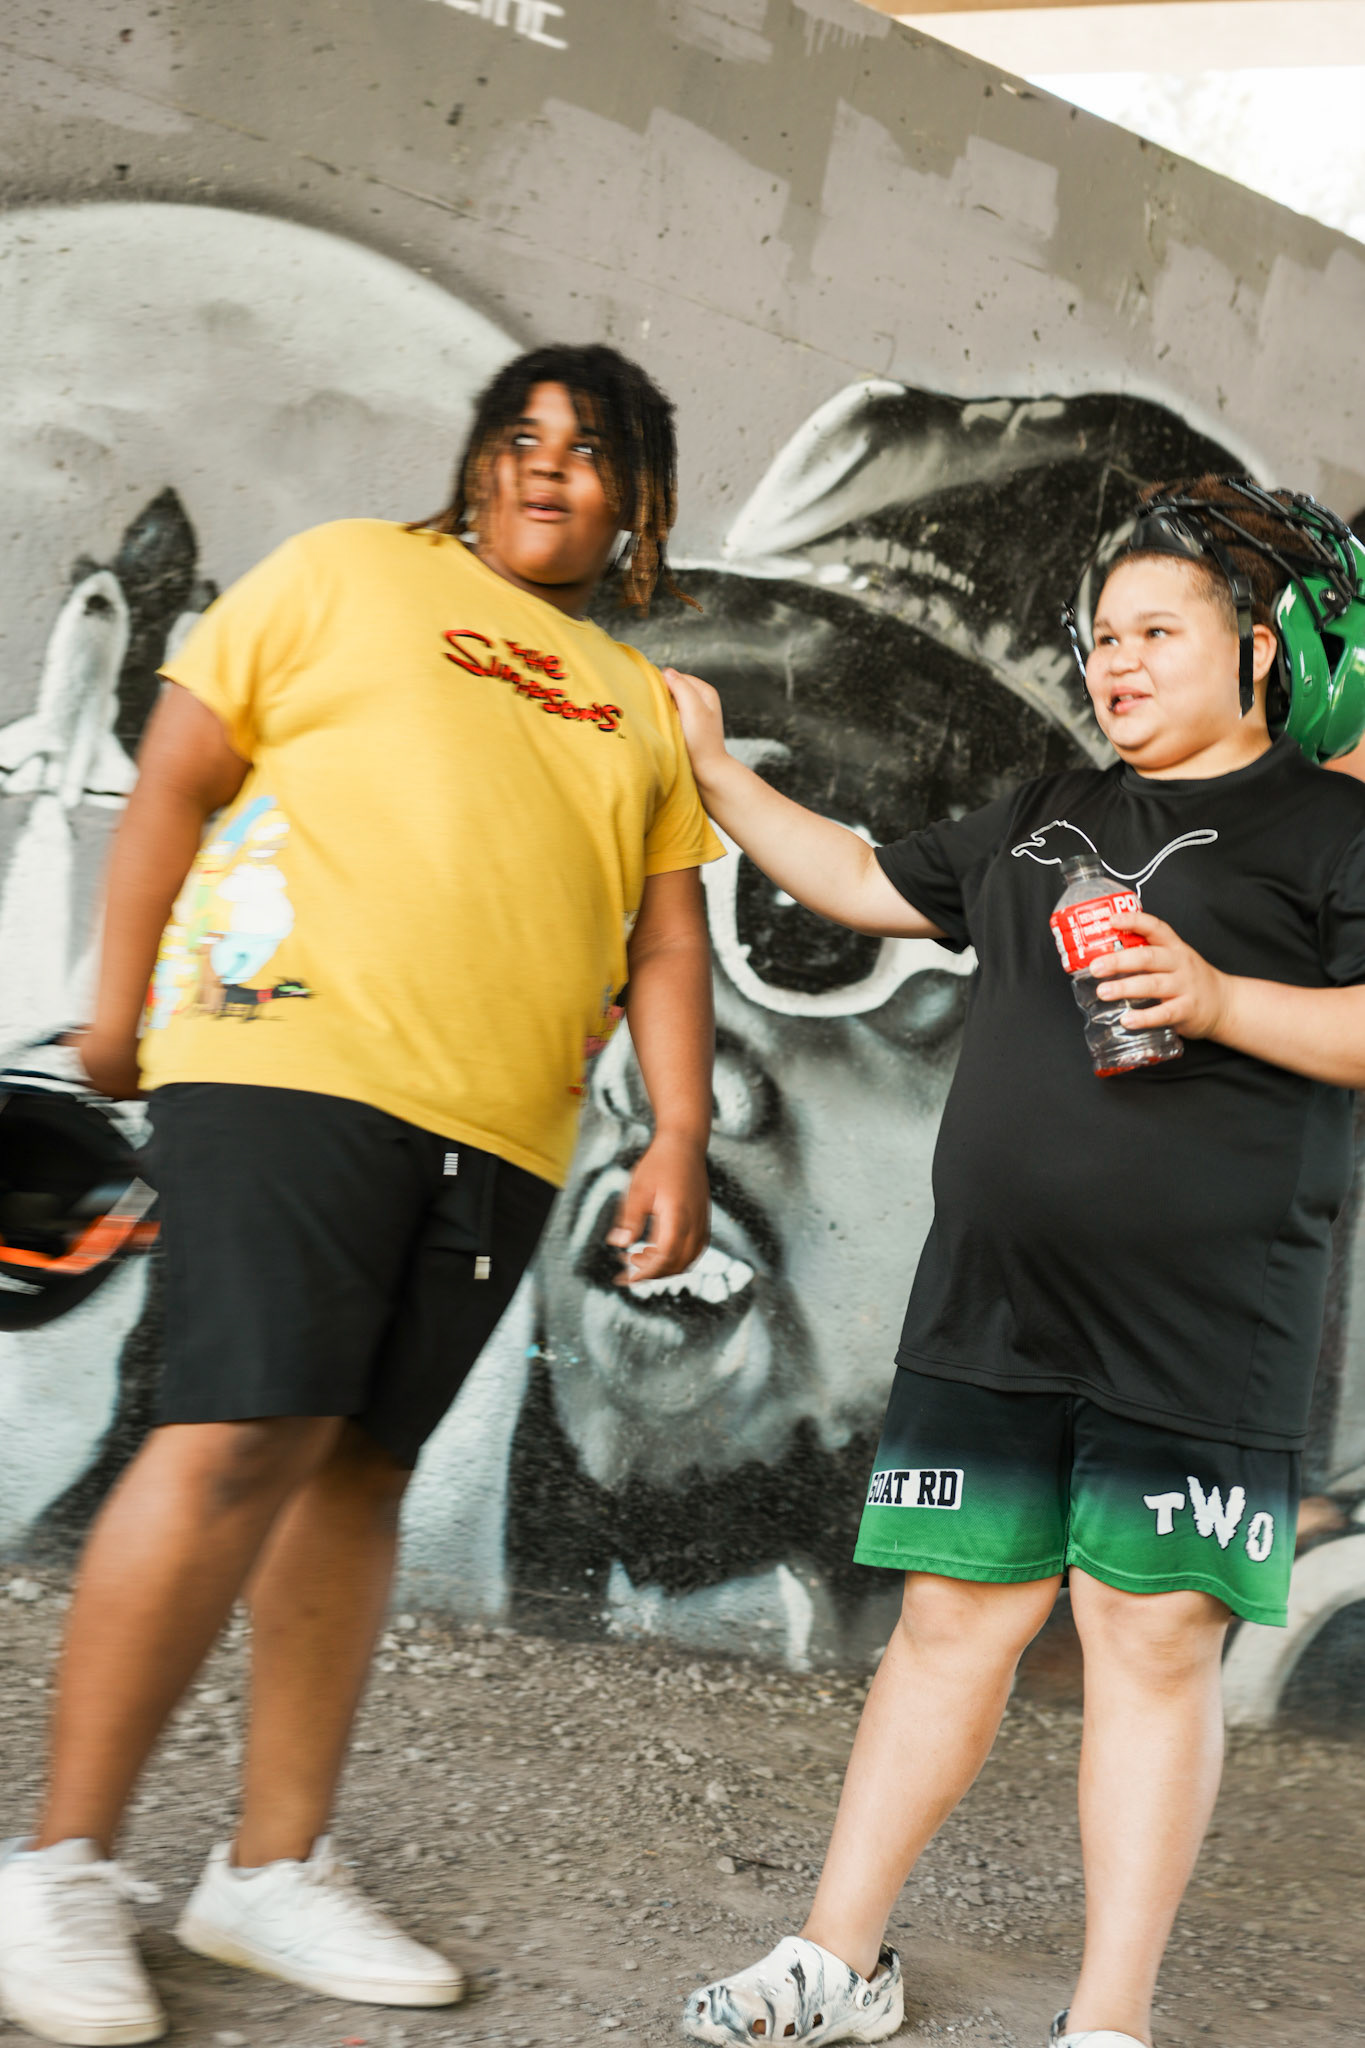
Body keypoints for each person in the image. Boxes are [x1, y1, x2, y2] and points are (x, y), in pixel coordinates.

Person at [0, 342, 721, 2048]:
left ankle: (268, 1871)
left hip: (501, 1130)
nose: (544, 465)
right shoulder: (341, 574)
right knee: (232, 1433)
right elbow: (177, 772)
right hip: (283, 1059)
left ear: (637, 501)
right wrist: (118, 1002)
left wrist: (676, 1134)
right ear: (475, 462)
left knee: (357, 1474)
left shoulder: (635, 701)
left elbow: (665, 939)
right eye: (519, 436)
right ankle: (57, 1870)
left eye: (589, 450)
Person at [666, 475, 1365, 2048]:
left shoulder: (1333, 832)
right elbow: (861, 882)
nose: (1117, 662)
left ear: (1255, 652)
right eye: (1103, 636)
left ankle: (1105, 2022)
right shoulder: (1045, 813)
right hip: (993, 1304)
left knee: (1148, 1643)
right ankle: (836, 1963)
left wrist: (1217, 1000)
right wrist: (710, 771)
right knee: (948, 1621)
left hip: (1206, 1325)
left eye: (1157, 633)